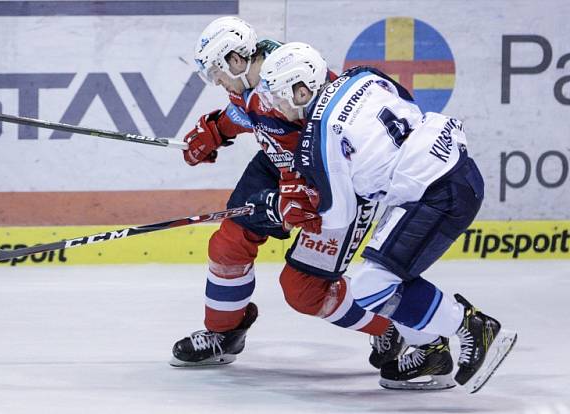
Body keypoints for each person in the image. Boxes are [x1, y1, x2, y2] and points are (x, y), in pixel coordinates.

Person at [256, 42, 517, 393]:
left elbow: (340, 214)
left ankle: (470, 325)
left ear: (302, 88)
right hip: (455, 170)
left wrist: (288, 212)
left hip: (435, 193)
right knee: (387, 275)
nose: (278, 107)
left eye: (280, 97)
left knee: (370, 287)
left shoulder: (318, 134)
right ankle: (430, 351)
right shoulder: (362, 75)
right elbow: (406, 101)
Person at [170, 16, 404, 371]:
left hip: (333, 178)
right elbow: (251, 111)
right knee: (228, 244)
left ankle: (394, 326)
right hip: (280, 164)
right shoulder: (249, 76)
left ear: (235, 59)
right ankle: (224, 332)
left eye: (216, 70)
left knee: (304, 291)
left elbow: (332, 131)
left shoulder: (289, 75)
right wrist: (217, 129)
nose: (215, 80)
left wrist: (306, 191)